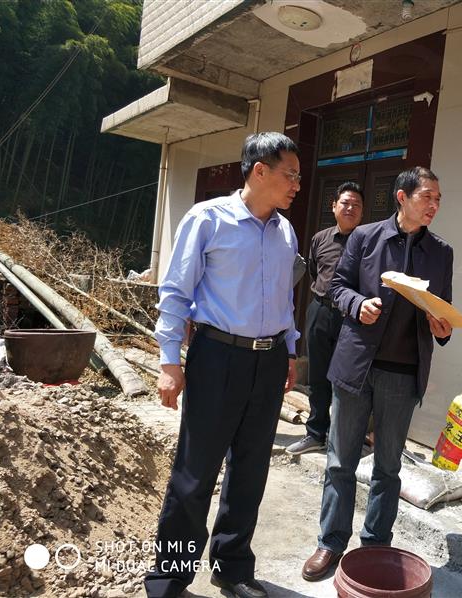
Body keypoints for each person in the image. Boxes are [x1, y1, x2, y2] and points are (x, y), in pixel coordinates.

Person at [145, 132, 302, 598]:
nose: (297, 184)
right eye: (290, 175)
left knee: (251, 469)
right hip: (218, 357)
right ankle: (169, 578)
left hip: (269, 360)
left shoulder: (285, 231)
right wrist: (169, 361)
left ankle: (232, 567)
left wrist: (289, 349)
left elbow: (284, 300)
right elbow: (176, 293)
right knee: (195, 472)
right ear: (260, 171)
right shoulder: (208, 219)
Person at [301, 166, 454, 581]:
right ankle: (330, 543)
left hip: (403, 373)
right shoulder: (366, 238)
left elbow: (443, 307)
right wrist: (358, 305)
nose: (434, 205)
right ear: (402, 197)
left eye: (438, 199)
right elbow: (337, 287)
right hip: (356, 366)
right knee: (340, 461)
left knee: (388, 467)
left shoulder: (441, 252)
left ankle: (374, 547)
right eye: (427, 197)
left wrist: (443, 328)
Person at [286, 182, 364, 455]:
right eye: (345, 203)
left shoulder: (368, 241)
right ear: (334, 206)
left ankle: (342, 438)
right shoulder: (320, 238)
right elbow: (314, 271)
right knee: (318, 374)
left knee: (346, 378)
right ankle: (316, 433)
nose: (350, 208)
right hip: (320, 310)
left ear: (362, 211)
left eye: (356, 204)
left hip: (351, 317)